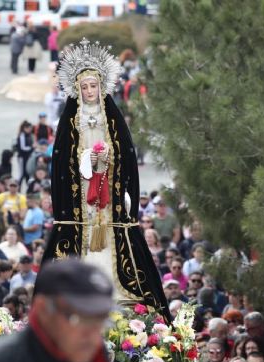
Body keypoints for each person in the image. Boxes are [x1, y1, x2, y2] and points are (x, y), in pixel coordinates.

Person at [42, 38, 170, 321]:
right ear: (76, 88)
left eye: (93, 86)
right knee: (84, 241)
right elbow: (62, 164)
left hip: (108, 197)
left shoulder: (112, 121)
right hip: (81, 199)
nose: (89, 91)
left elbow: (125, 156)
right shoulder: (70, 123)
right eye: (84, 87)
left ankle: (114, 288)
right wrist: (87, 163)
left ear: (101, 87)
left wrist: (107, 162)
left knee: (112, 241)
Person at [15, 121, 34, 188]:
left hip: (27, 157)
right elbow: (22, 148)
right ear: (25, 128)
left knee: (27, 173)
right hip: (22, 158)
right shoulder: (22, 136)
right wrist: (32, 147)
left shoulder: (29, 135)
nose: (30, 130)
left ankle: (29, 189)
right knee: (21, 174)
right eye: (29, 128)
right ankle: (17, 187)